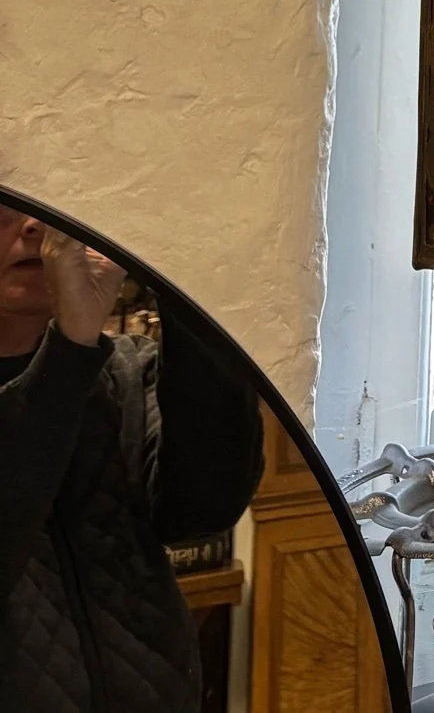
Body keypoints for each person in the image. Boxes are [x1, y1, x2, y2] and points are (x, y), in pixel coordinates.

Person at [0, 201, 264, 711]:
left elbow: (202, 511)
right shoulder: (86, 360)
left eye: (47, 199)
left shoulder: (123, 371)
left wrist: (187, 288)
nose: (34, 223)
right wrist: (70, 350)